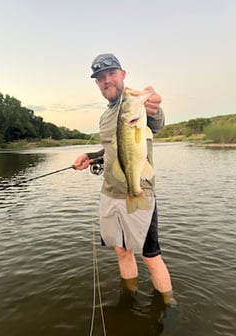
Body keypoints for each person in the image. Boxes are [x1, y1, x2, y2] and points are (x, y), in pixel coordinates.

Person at [74, 53, 176, 306]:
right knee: (121, 250)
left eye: (111, 73)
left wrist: (154, 106)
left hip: (139, 189)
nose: (107, 80)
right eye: (100, 78)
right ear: (97, 84)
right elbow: (113, 153)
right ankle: (128, 297)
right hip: (110, 194)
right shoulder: (104, 117)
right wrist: (89, 156)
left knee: (151, 255)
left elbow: (157, 120)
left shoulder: (136, 106)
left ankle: (168, 303)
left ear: (122, 75)